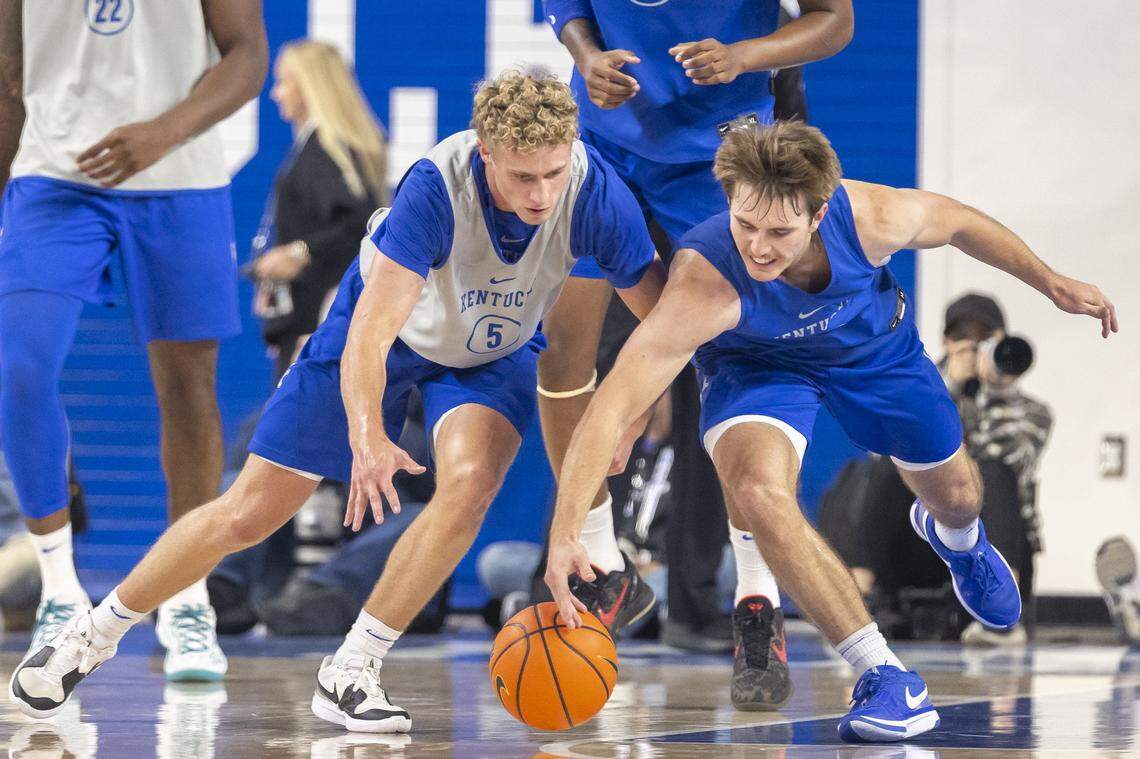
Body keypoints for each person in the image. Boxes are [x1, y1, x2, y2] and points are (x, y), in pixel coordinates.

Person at [10, 70, 667, 733]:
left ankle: (352, 669)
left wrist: (637, 407)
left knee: (469, 487)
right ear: (485, 152)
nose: (543, 193)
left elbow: (666, 324)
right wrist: (366, 433)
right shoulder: (437, 187)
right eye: (524, 178)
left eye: (553, 173)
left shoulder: (593, 194)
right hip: (387, 339)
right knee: (249, 513)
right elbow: (371, 337)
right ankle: (91, 633)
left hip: (491, 352)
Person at [544, 121, 1117, 742]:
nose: (759, 247)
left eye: (780, 232)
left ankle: (959, 539)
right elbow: (605, 408)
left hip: (874, 352)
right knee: (759, 493)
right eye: (746, 224)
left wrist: (1050, 280)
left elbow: (958, 223)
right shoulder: (704, 280)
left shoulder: (869, 216)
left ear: (819, 214)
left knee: (958, 495)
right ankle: (884, 673)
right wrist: (566, 530)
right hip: (755, 368)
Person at [536, 0, 854, 670]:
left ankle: (750, 592)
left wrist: (746, 55)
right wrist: (586, 55)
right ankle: (603, 566)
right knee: (567, 350)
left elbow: (836, 21)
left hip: (719, 154)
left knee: (728, 365)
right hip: (606, 144)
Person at [0, 0, 268, 679]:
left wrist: (163, 131)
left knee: (186, 387)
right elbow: (8, 70)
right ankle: (60, 590)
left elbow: (247, 58)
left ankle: (187, 595)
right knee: (20, 367)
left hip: (180, 175)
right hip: (54, 176)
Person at [836, 293, 1053, 647]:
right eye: (962, 338)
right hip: (922, 538)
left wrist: (990, 391)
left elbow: (1003, 455)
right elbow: (893, 445)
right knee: (888, 468)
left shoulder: (1032, 412)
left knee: (994, 471)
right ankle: (854, 604)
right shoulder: (918, 389)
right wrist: (948, 387)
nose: (972, 347)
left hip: (993, 543)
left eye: (983, 338)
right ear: (946, 343)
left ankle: (1001, 611)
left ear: (1000, 342)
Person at [250, 39, 389, 381]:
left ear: (309, 86)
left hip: (316, 327)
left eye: (283, 82)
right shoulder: (324, 149)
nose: (276, 94)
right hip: (314, 322)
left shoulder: (324, 152)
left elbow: (359, 224)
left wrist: (298, 253)